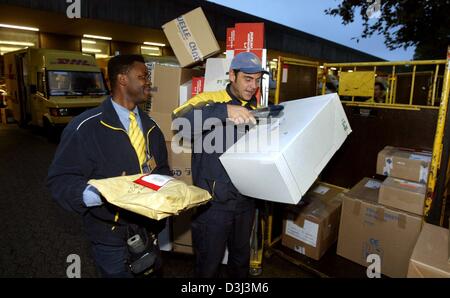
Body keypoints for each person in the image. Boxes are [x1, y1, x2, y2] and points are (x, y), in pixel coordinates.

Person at [47, 54, 170, 278]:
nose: (148, 83)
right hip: (111, 239)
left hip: (148, 232)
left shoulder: (152, 127)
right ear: (122, 79)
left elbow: (161, 169)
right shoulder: (85, 127)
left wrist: (169, 190)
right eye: (142, 76)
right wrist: (103, 194)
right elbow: (60, 180)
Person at [172, 51, 266, 278]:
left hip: (246, 201)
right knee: (208, 265)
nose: (253, 85)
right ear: (232, 75)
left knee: (240, 261)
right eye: (247, 78)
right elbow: (179, 121)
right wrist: (224, 111)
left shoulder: (258, 107)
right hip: (214, 205)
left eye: (257, 80)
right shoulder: (210, 99)